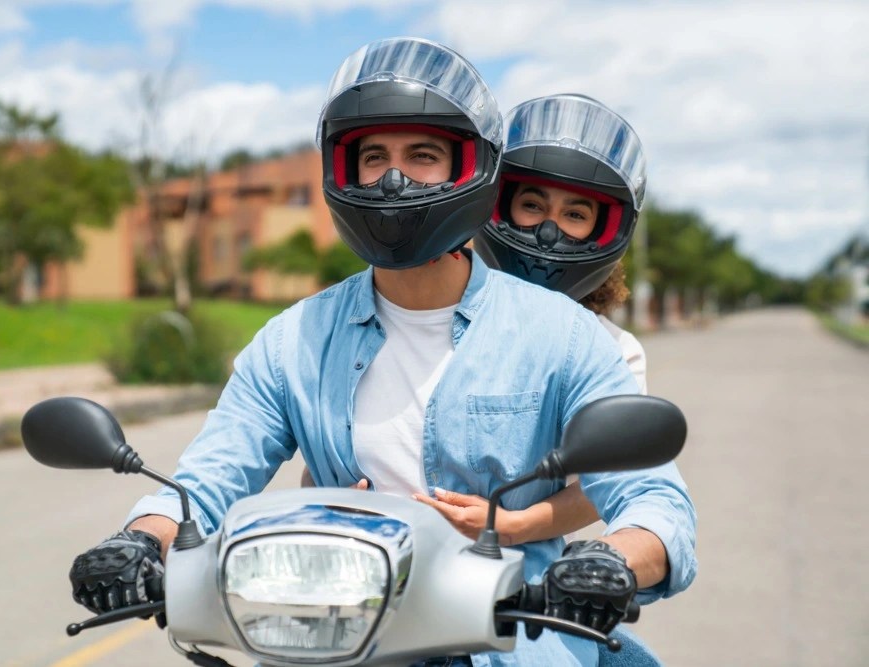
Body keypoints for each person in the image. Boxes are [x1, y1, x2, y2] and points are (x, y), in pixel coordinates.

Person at [68, 39, 696, 666]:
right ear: (345, 169)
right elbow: (208, 478)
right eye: (374, 156)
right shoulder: (292, 339)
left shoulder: (564, 334)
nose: (393, 179)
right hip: (332, 637)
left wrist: (614, 561)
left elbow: (653, 500)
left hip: (511, 636)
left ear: (470, 167)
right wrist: (138, 542)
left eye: (422, 155)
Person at [417, 94, 653, 547]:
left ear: (602, 229)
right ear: (500, 204)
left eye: (575, 215)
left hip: (517, 574)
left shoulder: (610, 349)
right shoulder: (425, 308)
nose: (549, 230)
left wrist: (510, 526)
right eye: (532, 205)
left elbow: (602, 481)